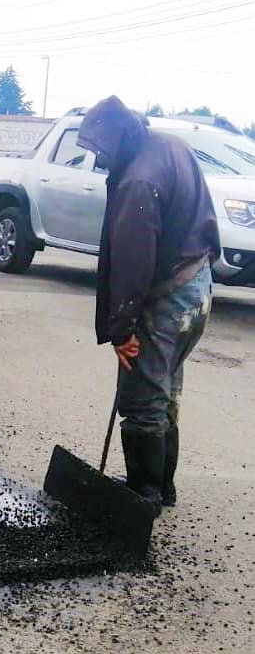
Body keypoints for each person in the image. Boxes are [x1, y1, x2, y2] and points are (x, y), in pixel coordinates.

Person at [78, 96, 219, 513]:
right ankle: (162, 486)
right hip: (197, 284)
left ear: (120, 139)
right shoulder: (169, 146)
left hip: (169, 297)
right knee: (165, 390)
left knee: (141, 400)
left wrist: (122, 330)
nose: (98, 159)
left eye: (100, 149)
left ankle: (145, 498)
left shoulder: (138, 180)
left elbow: (132, 261)